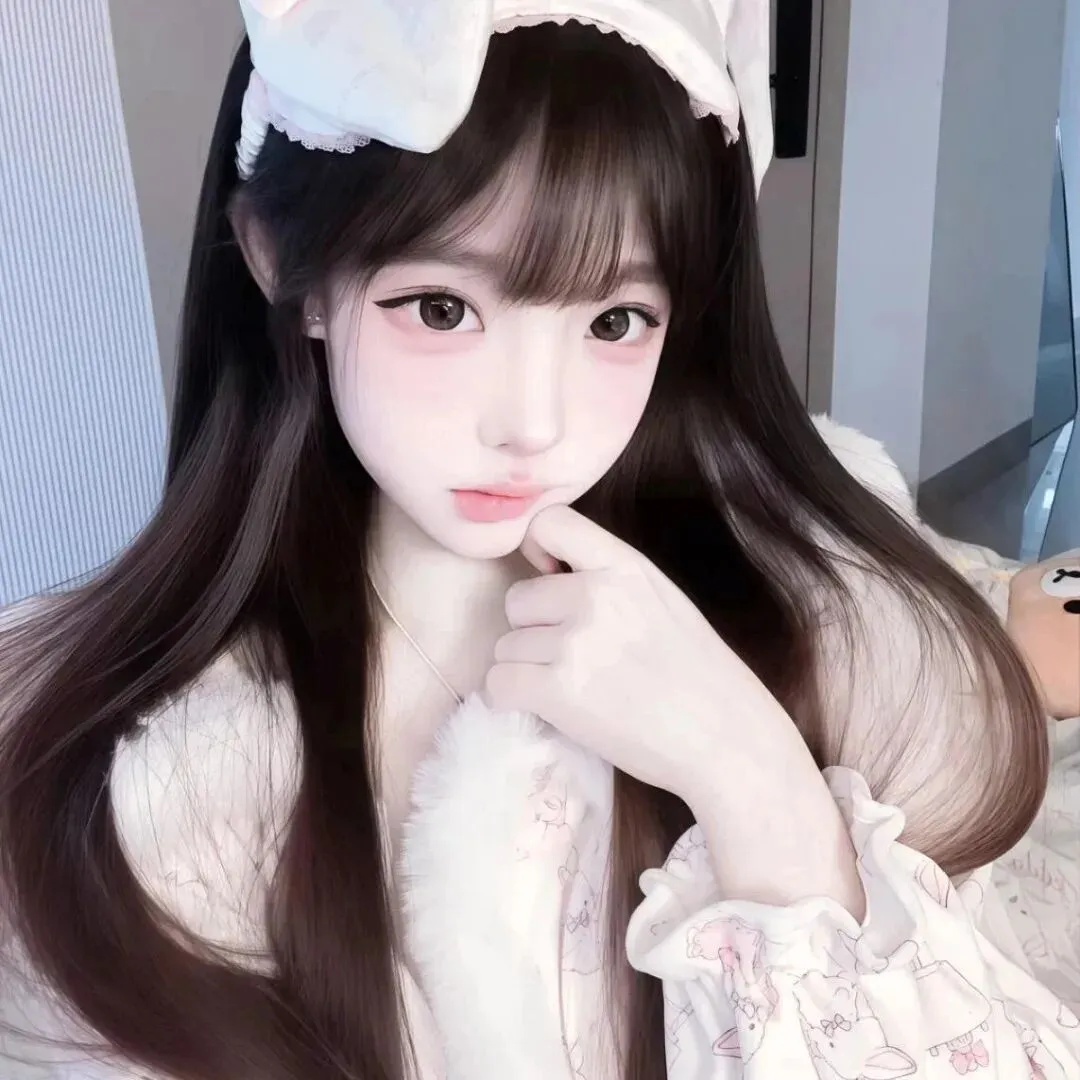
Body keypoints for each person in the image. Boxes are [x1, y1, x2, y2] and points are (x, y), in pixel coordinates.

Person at [0, 2, 1077, 1078]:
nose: (535, 424)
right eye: (441, 308)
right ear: (287, 266)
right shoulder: (144, 790)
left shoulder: (817, 612)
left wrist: (751, 772)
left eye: (614, 321)